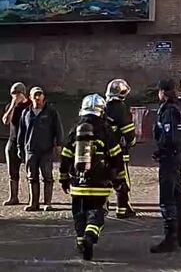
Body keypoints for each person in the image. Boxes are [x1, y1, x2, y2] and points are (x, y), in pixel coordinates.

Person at [59, 94, 126, 260]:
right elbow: (116, 156)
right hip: (100, 183)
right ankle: (90, 235)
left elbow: (65, 155)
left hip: (77, 183)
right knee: (97, 212)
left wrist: (64, 178)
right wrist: (119, 179)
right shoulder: (106, 129)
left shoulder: (75, 129)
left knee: (79, 213)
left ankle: (81, 240)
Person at [151, 79, 181, 253]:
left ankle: (170, 238)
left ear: (163, 92)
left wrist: (160, 151)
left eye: (158, 91)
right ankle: (180, 236)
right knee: (178, 196)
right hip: (179, 155)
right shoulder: (180, 107)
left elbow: (169, 135)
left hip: (170, 157)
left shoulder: (169, 111)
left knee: (167, 198)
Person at [17, 86, 63, 212]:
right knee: (32, 177)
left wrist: (58, 144)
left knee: (47, 177)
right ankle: (34, 203)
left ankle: (47, 203)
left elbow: (58, 129)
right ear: (30, 98)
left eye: (40, 95)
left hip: (46, 150)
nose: (37, 97)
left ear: (43, 97)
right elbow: (21, 132)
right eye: (35, 95)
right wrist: (20, 147)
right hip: (30, 149)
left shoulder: (51, 112)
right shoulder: (26, 113)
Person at [104, 79, 137, 219]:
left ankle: (103, 207)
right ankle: (123, 209)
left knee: (104, 178)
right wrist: (131, 142)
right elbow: (128, 131)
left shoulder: (103, 107)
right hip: (119, 151)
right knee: (122, 179)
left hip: (104, 152)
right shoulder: (121, 108)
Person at [2, 82, 31, 206]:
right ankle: (13, 197)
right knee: (12, 172)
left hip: (27, 142)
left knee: (31, 172)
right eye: (13, 94)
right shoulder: (11, 106)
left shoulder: (30, 106)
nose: (15, 96)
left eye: (17, 93)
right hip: (13, 141)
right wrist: (13, 105)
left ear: (23, 93)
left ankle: (32, 198)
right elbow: (6, 121)